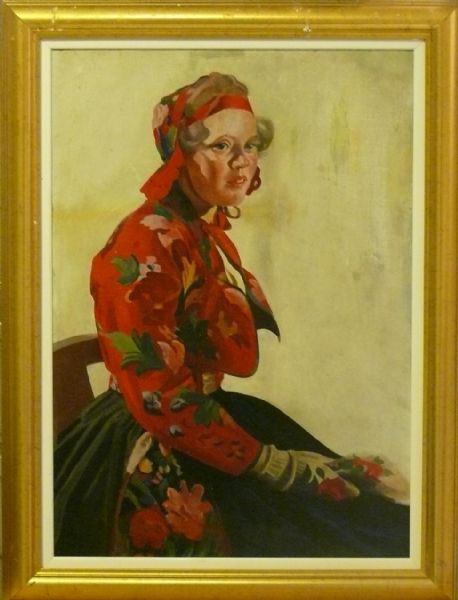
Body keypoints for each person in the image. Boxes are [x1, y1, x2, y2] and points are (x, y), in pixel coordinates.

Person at [54, 73, 410, 558]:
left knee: (376, 521)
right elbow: (156, 393)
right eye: (222, 146)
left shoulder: (198, 232)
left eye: (250, 145)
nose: (243, 162)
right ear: (181, 155)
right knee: (330, 538)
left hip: (207, 412)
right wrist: (273, 464)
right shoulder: (142, 244)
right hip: (156, 431)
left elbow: (232, 356)